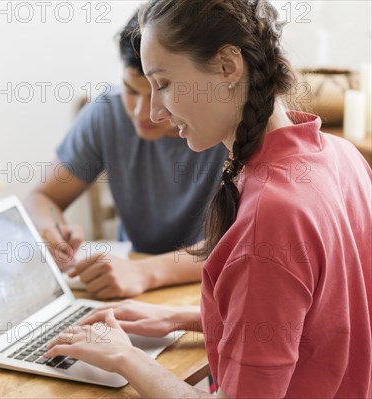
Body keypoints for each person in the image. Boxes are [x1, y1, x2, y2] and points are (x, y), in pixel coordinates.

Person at [45, 0, 372, 397]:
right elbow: (318, 318)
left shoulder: (271, 216)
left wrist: (124, 357)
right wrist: (180, 318)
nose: (154, 110)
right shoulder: (342, 155)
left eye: (162, 84)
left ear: (228, 66)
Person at [25, 12, 227, 299]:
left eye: (163, 91)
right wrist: (51, 232)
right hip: (128, 287)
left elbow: (240, 243)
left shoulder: (226, 126)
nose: (142, 113)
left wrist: (144, 272)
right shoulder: (107, 111)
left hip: (203, 290)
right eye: (131, 91)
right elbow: (42, 197)